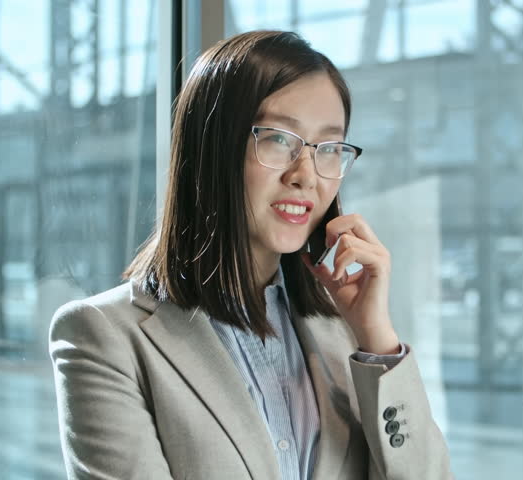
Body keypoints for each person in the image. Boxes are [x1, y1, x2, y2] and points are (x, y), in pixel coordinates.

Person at [49, 30, 453, 479]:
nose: (306, 175)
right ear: (213, 148)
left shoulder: (342, 334)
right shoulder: (103, 334)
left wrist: (377, 338)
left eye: (329, 147)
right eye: (279, 139)